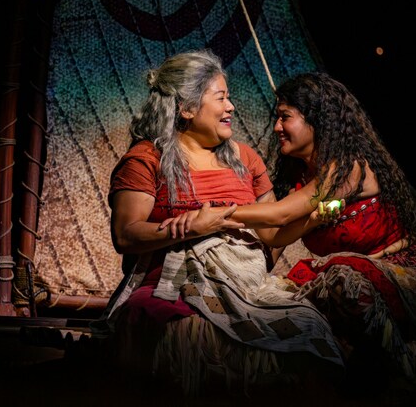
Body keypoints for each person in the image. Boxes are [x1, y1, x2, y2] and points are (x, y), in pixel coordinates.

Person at [161, 71, 416, 393]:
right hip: (356, 290)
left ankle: (409, 367)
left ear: (318, 121)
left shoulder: (348, 168)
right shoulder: (300, 178)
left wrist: (215, 213)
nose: (276, 127)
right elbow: (275, 235)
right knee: (282, 298)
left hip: (406, 281)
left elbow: (280, 213)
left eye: (285, 117)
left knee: (343, 280)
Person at [91, 50, 346, 398]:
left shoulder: (246, 159)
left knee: (307, 324)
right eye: (221, 97)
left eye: (229, 98)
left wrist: (310, 220)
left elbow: (272, 234)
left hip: (245, 284)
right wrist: (193, 228)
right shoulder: (147, 159)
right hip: (176, 285)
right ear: (186, 108)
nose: (231, 107)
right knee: (193, 336)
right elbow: (125, 234)